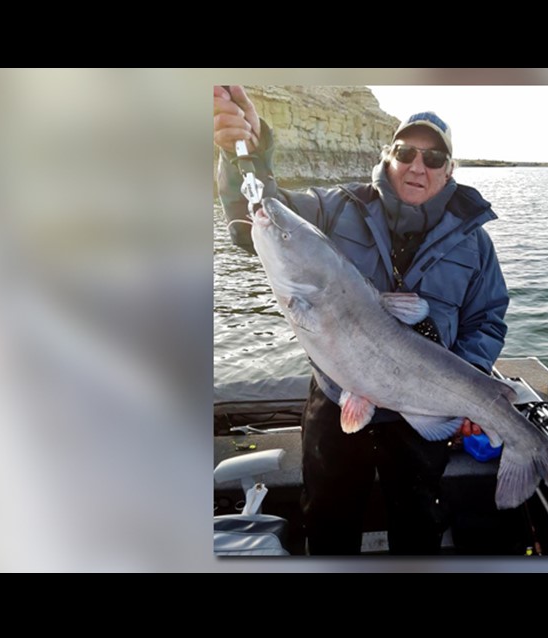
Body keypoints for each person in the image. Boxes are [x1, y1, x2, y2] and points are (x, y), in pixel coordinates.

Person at [214, 85, 509, 555]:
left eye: (434, 158)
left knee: (420, 528)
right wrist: (245, 151)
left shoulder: (475, 243)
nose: (417, 166)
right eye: (406, 152)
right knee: (327, 523)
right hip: (337, 399)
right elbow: (262, 213)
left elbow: (488, 319)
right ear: (388, 155)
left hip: (423, 409)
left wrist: (466, 384)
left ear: (450, 169)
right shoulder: (336, 207)